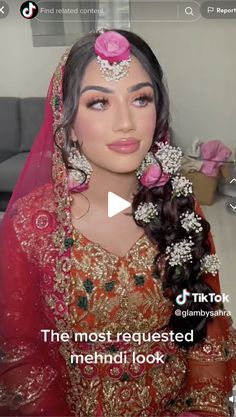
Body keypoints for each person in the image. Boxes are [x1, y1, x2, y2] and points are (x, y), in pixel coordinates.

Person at [0, 29, 235, 417]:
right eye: (98, 103)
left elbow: (205, 325)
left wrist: (201, 410)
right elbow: (20, 352)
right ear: (68, 122)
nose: (126, 122)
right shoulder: (29, 226)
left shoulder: (180, 208)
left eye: (140, 98)